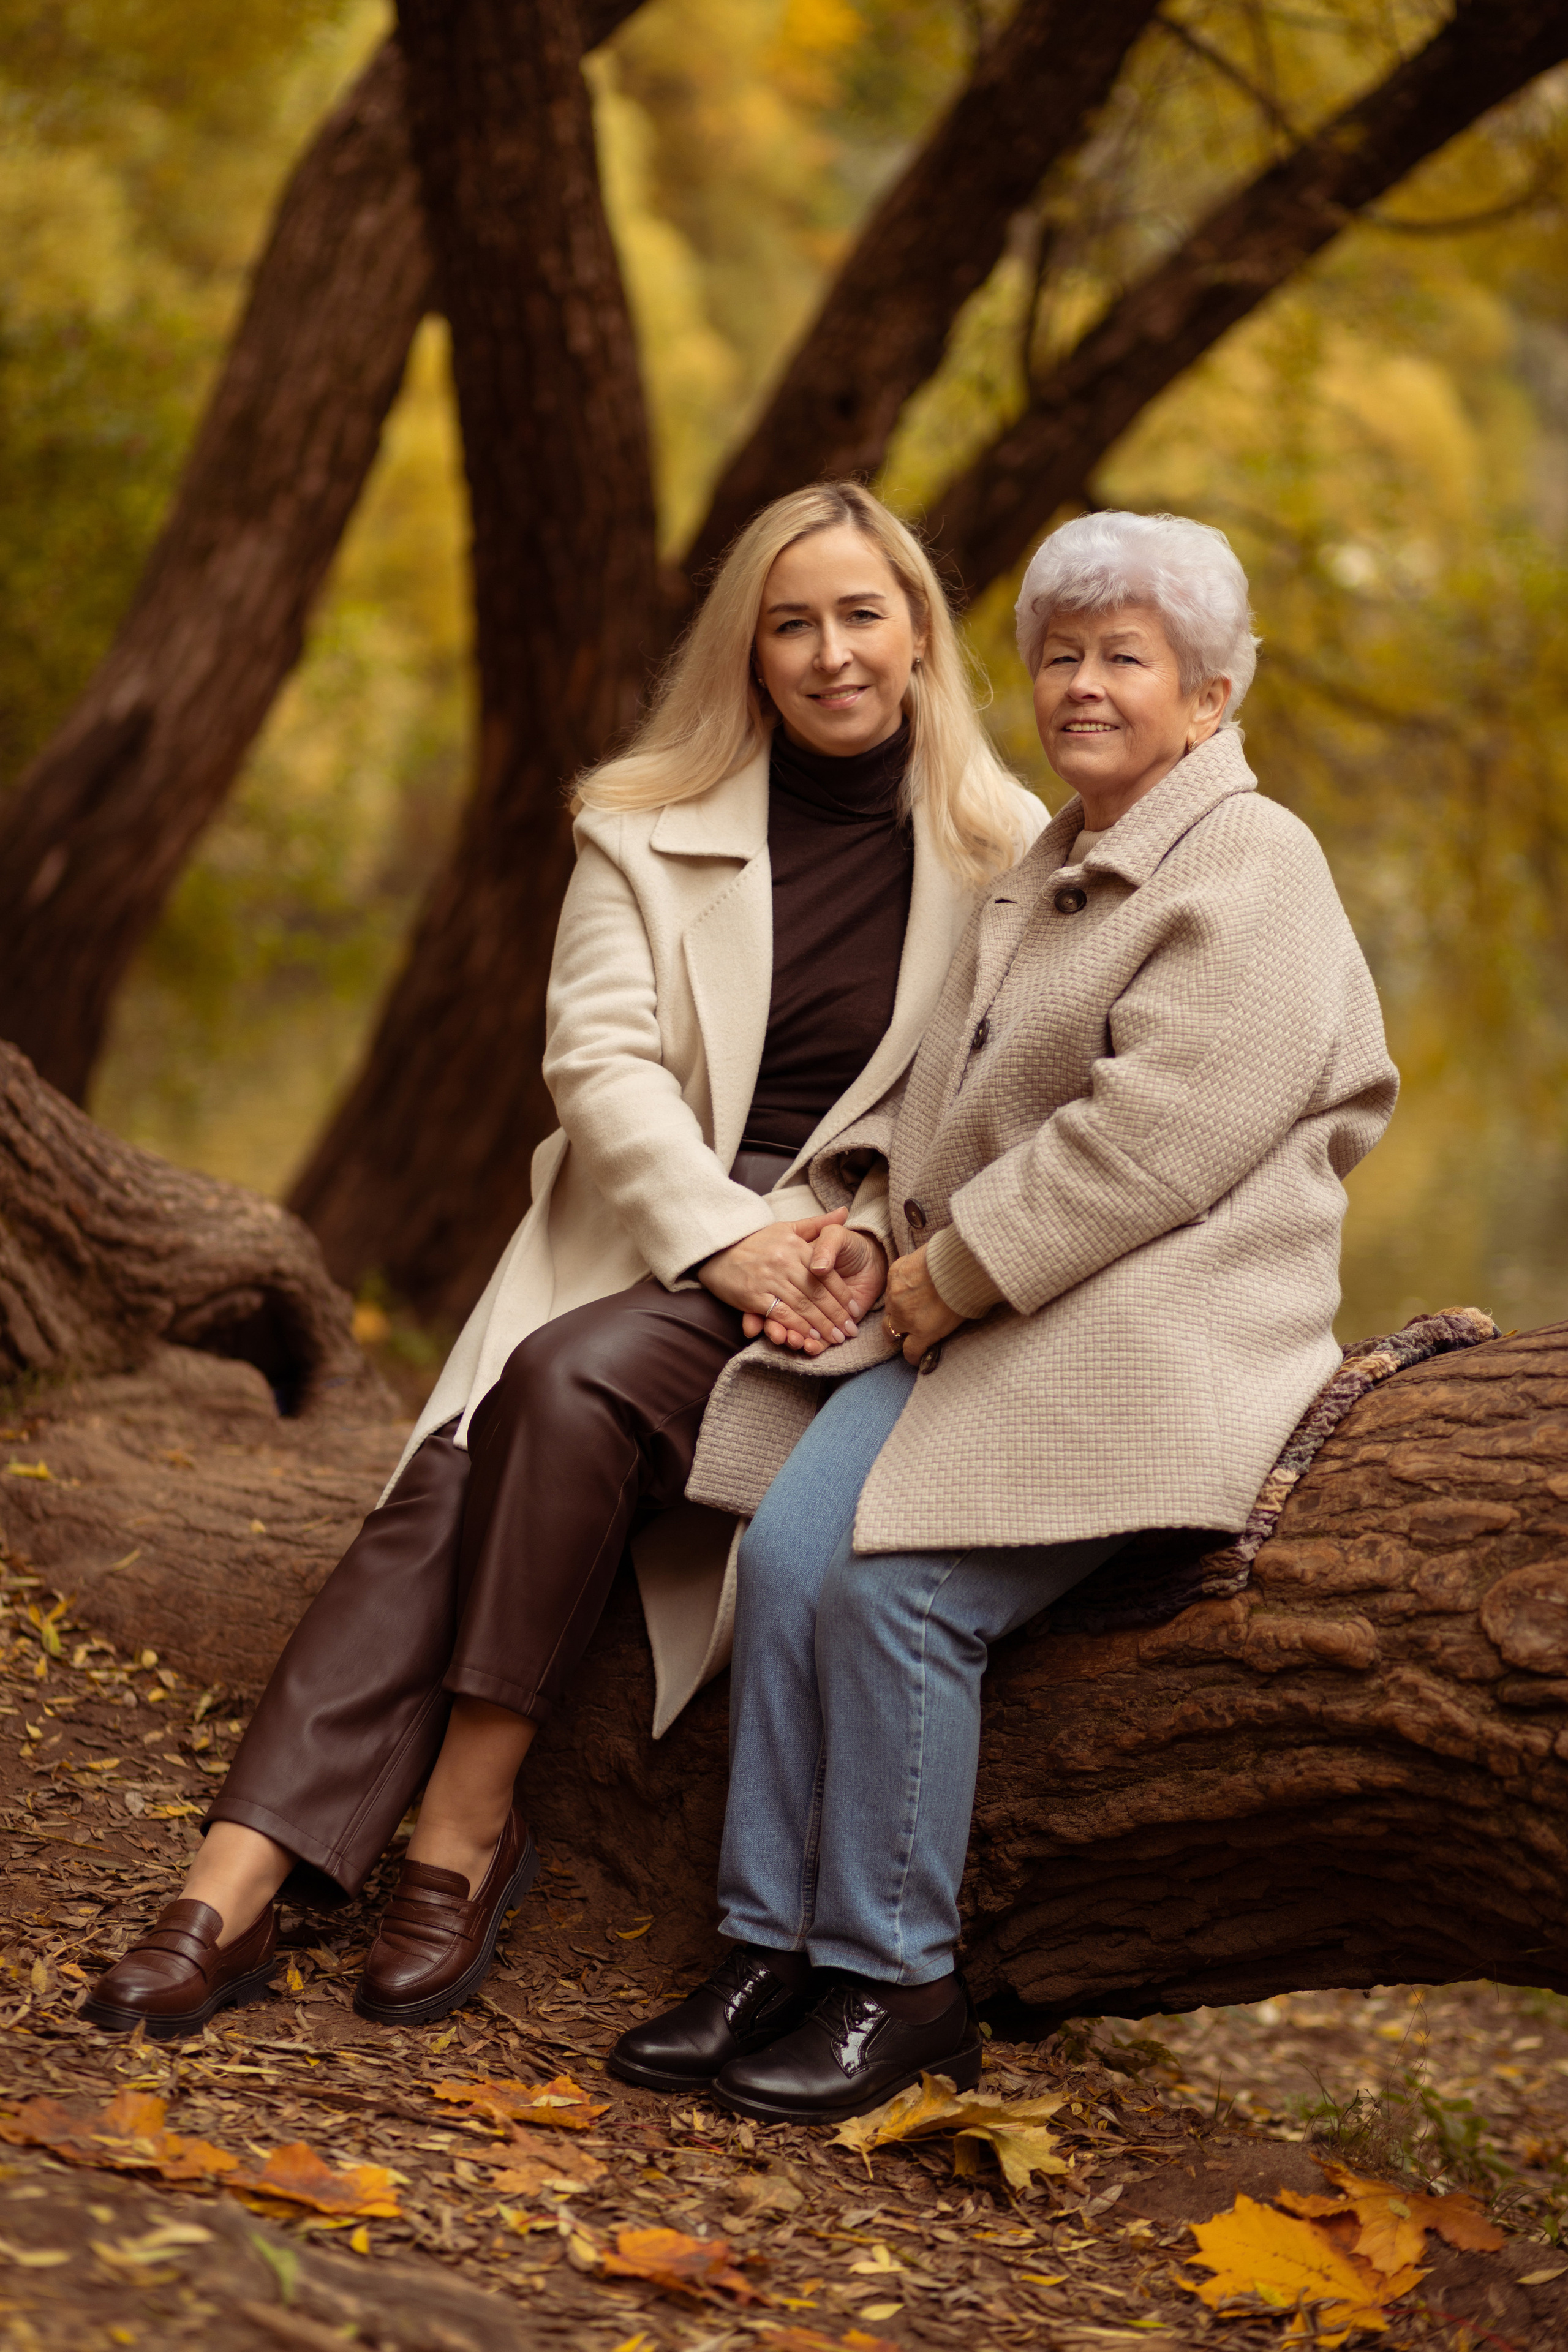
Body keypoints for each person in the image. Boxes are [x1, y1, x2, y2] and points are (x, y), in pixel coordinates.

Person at [81, 482, 1044, 2041]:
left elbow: (993, 1105)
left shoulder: (1006, 857)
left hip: (849, 1278)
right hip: (648, 1233)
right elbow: (597, 1066)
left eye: (860, 615)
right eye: (788, 624)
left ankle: (403, 1838)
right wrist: (724, 1239)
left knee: (553, 1387)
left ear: (920, 633)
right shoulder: (641, 823)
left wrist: (849, 1243)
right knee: (464, 1470)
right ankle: (245, 1889)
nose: (828, 653)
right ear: (746, 652)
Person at [610, 509, 1399, 2121]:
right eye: (1060, 655)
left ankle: (898, 1979)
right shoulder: (1049, 865)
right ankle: (772, 1942)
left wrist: (945, 1275)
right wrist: (861, 1241)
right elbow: (950, 1113)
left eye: (1126, 658)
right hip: (1003, 1313)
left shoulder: (1256, 864)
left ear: (1214, 694)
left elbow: (1155, 1142)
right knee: (786, 1549)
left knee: (901, 1594)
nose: (1084, 685)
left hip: (1158, 1328)